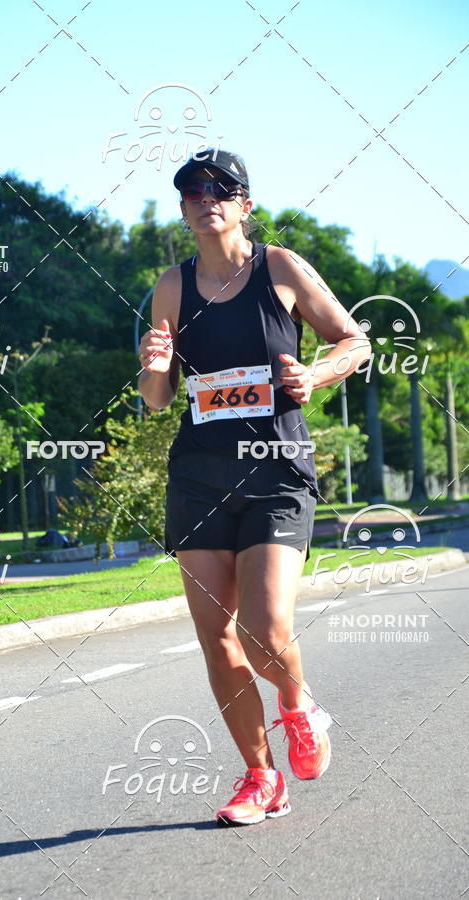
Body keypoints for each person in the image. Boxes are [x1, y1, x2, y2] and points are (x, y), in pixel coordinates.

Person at [137, 149, 371, 827]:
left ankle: (298, 709)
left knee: (265, 629)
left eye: (221, 187)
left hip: (276, 472)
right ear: (183, 210)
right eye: (192, 190)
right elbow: (157, 400)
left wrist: (316, 377)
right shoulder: (171, 287)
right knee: (219, 640)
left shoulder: (281, 268)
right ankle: (260, 778)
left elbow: (353, 341)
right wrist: (153, 367)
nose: (205, 196)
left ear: (245, 203)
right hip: (199, 475)